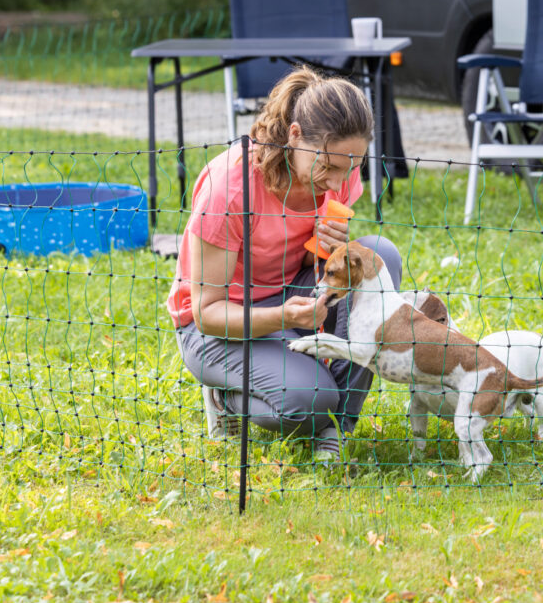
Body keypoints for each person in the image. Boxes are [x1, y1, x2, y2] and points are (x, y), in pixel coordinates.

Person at [167, 65, 402, 461]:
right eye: (328, 167)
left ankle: (335, 427)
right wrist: (284, 318)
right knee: (309, 398)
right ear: (295, 135)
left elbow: (311, 261)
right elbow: (208, 313)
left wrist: (325, 253)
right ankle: (228, 400)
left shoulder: (338, 167)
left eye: (351, 167)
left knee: (383, 256)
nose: (337, 182)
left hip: (290, 293)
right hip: (216, 326)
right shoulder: (231, 187)